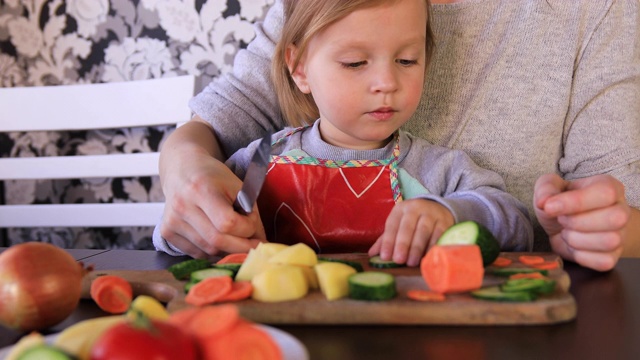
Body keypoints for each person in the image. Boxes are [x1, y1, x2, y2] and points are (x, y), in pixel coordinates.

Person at [155, 0, 640, 271]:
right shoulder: (261, 160)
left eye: (408, 61)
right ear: (299, 67)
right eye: (354, 63)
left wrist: (448, 214)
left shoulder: (432, 166)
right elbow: (178, 231)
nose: (386, 82)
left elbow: (508, 215)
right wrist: (189, 211)